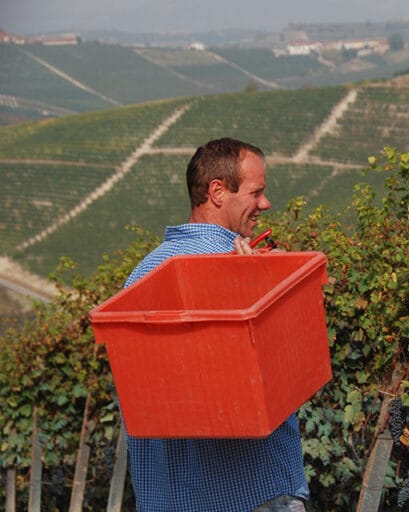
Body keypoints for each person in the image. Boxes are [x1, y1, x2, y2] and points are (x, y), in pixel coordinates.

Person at [123, 138, 309, 512]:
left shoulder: (140, 275)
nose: (266, 204)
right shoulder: (237, 271)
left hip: (167, 500)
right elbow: (280, 377)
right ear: (218, 192)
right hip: (254, 494)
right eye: (257, 192)